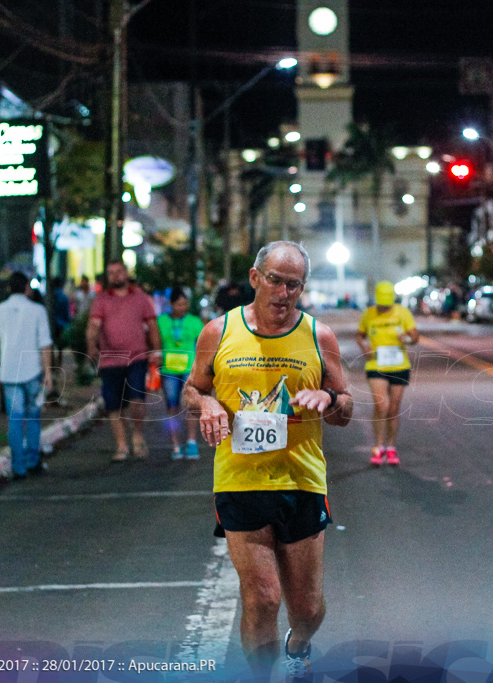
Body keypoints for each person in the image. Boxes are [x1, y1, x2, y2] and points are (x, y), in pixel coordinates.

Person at [183, 241, 353, 681]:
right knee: (262, 598)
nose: (282, 292)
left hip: (301, 480)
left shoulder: (319, 336)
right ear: (255, 278)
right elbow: (193, 388)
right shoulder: (218, 332)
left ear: (302, 288)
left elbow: (346, 410)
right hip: (240, 478)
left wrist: (329, 399)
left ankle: (298, 646)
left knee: (308, 609)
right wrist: (206, 404)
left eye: (293, 284)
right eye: (274, 280)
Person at [86, 260, 161, 462]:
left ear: (126, 273)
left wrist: (157, 350)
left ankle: (137, 434)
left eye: (119, 272)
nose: (115, 276)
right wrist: (91, 345)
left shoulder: (141, 298)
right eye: (111, 272)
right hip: (110, 361)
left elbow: (152, 326)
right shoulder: (101, 300)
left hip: (137, 357)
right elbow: (93, 325)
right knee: (113, 405)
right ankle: (121, 445)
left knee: (137, 400)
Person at [0, 271, 53, 480]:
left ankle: (18, 466)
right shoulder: (38, 310)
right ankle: (33, 460)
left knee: (15, 420)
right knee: (33, 417)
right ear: (26, 287)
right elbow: (45, 344)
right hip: (33, 372)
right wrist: (48, 372)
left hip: (9, 372)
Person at [355, 280, 419, 466]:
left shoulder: (402, 313)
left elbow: (415, 337)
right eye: (381, 303)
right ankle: (378, 447)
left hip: (399, 365)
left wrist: (407, 338)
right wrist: (364, 346)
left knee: (393, 409)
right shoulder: (368, 314)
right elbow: (360, 335)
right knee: (381, 404)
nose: (383, 307)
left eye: (387, 303)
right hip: (376, 364)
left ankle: (390, 447)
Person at [156, 287, 203, 460]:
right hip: (168, 371)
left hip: (189, 370)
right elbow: (154, 342)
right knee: (172, 407)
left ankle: (191, 442)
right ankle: (175, 444)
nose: (182, 307)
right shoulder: (161, 321)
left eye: (185, 304)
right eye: (178, 304)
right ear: (171, 304)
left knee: (191, 405)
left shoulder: (195, 322)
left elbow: (202, 343)